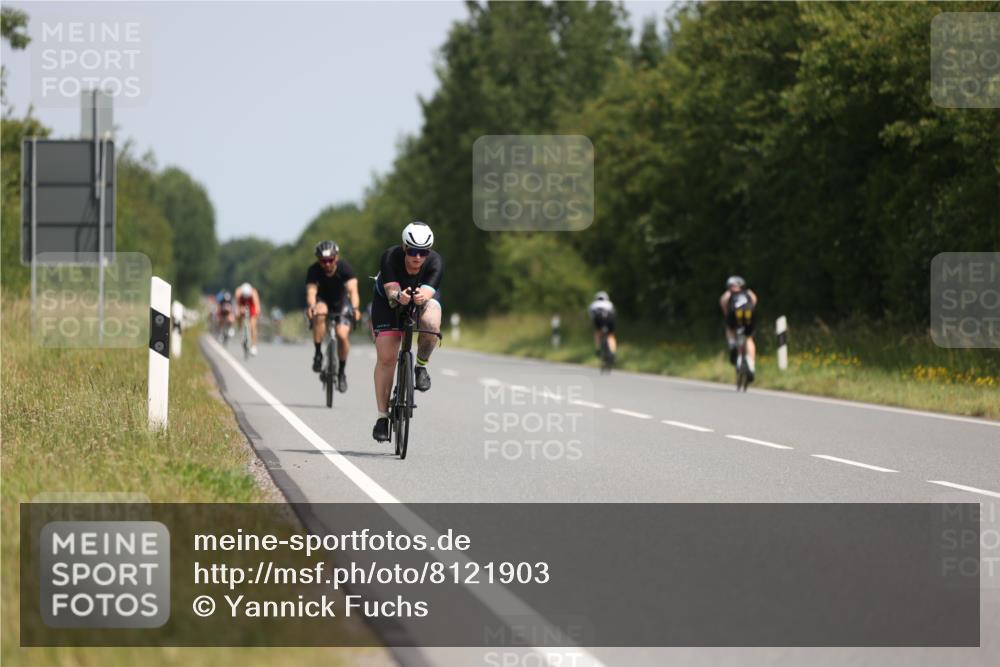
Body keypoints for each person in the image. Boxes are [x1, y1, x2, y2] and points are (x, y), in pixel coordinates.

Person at [370, 221, 443, 442]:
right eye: (412, 251)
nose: (418, 257)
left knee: (431, 324)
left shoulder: (435, 262)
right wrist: (398, 296)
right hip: (388, 301)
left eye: (423, 252)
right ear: (404, 247)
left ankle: (420, 367)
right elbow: (392, 292)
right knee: (386, 358)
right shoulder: (390, 257)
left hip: (421, 299)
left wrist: (421, 297)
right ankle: (382, 418)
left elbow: (428, 292)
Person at [305, 240, 361, 392]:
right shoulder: (314, 270)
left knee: (341, 334)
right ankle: (318, 354)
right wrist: (311, 306)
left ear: (336, 257)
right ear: (318, 260)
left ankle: (341, 372)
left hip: (341, 303)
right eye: (323, 261)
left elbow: (353, 291)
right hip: (322, 301)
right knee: (319, 312)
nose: (327, 264)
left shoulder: (345, 268)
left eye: (330, 260)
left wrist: (355, 308)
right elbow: (311, 292)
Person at [720, 275, 758, 381]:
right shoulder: (748, 292)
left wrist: (727, 315)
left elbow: (723, 302)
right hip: (749, 314)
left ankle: (732, 345)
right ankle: (751, 366)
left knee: (729, 328)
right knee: (749, 338)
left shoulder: (729, 293)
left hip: (734, 314)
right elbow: (754, 301)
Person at [588, 291, 617, 357]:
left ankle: (598, 349)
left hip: (599, 320)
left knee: (597, 333)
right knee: (611, 336)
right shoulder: (609, 303)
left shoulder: (593, 304)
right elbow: (614, 313)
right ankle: (613, 352)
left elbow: (591, 316)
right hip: (610, 319)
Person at [235, 282, 261, 355]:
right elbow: (237, 305)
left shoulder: (254, 292)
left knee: (253, 325)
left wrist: (256, 315)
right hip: (242, 303)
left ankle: (254, 346)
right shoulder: (238, 292)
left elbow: (257, 306)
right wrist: (239, 311)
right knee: (239, 314)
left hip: (251, 304)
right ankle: (240, 328)